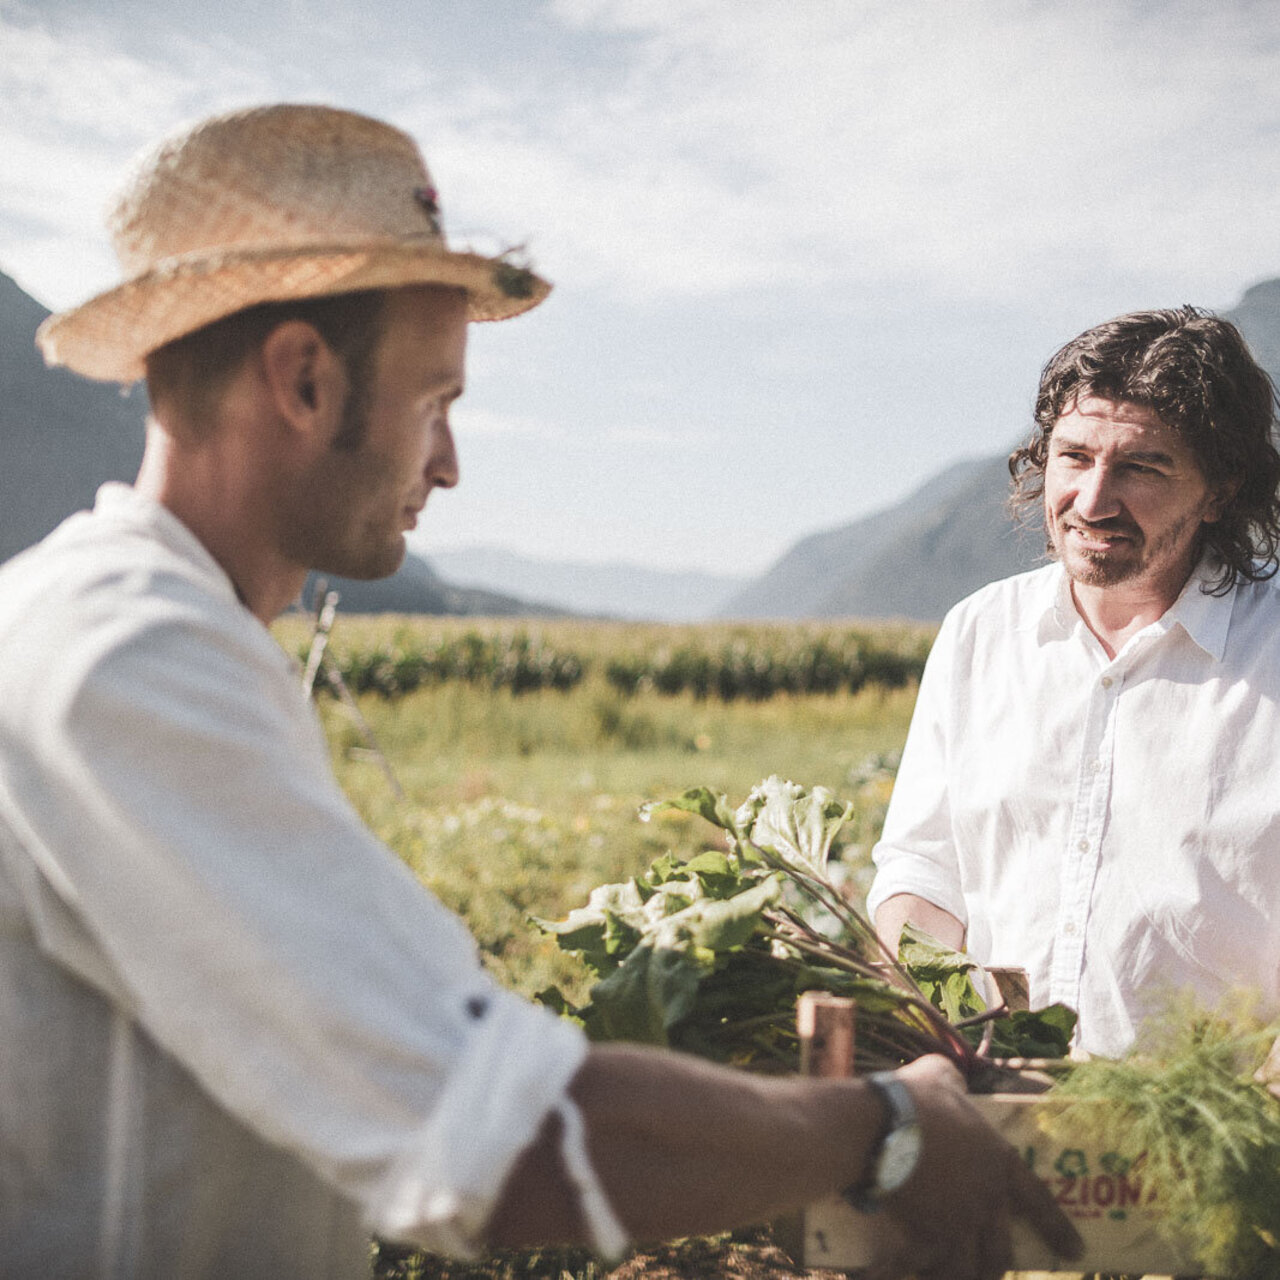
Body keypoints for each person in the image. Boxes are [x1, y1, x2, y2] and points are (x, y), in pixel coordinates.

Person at [1, 104, 1080, 1279]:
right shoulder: (131, 658)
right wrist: (889, 1128)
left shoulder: (136, 632)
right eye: (435, 400)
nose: (450, 462)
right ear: (303, 379)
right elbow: (494, 1132)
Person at [868, 305, 1280, 1058]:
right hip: (999, 1109)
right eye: (1074, 457)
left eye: (1141, 467)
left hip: (1222, 1129)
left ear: (1220, 489)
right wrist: (942, 1021)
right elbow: (923, 870)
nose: (1092, 502)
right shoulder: (979, 633)